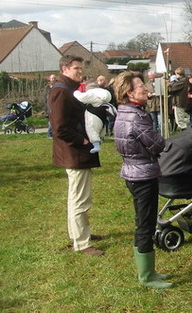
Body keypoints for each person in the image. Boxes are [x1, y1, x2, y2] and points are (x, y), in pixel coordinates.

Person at [113, 71, 173, 289]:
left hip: (133, 171)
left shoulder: (124, 113)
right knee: (145, 224)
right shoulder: (137, 117)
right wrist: (164, 142)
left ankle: (149, 271)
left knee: (144, 222)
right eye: (141, 86)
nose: (146, 88)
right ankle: (146, 276)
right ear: (129, 92)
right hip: (143, 175)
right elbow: (157, 144)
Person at [48, 55, 103, 256]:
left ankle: (79, 235)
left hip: (76, 152)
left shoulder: (69, 89)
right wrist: (84, 141)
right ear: (65, 69)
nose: (80, 71)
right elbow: (60, 128)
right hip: (74, 153)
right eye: (76, 68)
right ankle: (82, 243)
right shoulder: (61, 92)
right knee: (80, 199)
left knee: (76, 197)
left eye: (81, 68)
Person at [74, 83, 112, 154]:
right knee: (101, 128)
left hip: (93, 115)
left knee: (91, 129)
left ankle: (96, 145)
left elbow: (81, 97)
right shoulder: (103, 95)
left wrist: (76, 92)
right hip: (102, 115)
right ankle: (100, 138)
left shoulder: (92, 94)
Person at [45, 74, 57, 139]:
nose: (53, 79)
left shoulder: (58, 87)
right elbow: (46, 98)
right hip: (49, 107)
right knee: (51, 121)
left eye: (54, 78)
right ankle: (49, 134)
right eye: (52, 78)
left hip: (56, 106)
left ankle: (54, 134)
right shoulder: (48, 88)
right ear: (50, 79)